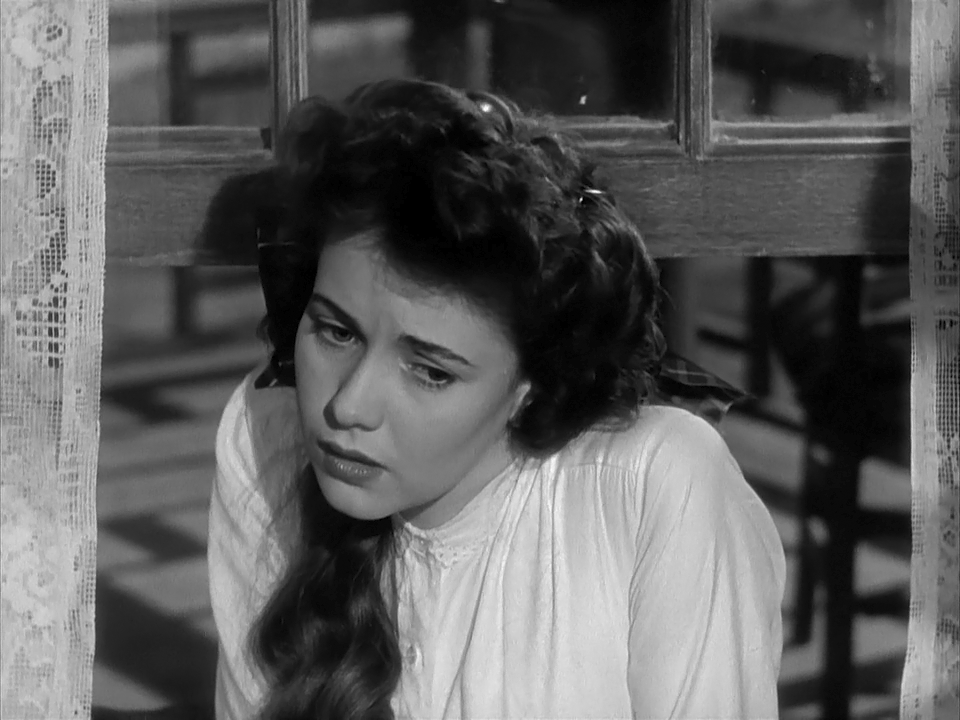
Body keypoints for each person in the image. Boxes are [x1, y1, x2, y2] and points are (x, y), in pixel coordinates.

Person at [204, 78, 786, 720]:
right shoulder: (269, 440)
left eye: (430, 372)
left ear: (528, 387)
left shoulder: (651, 488)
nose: (349, 407)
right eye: (337, 333)